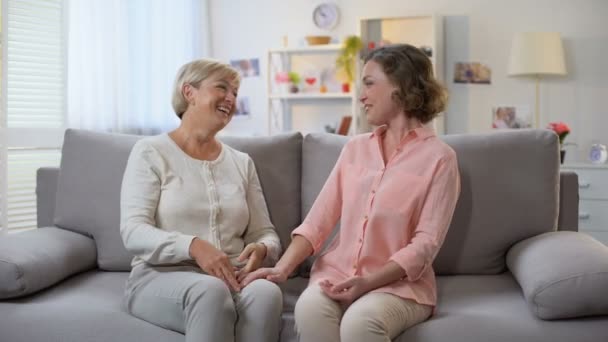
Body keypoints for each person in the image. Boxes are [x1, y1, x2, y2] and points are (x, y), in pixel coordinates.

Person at [242, 44, 461, 342]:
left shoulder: (439, 158)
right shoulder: (356, 148)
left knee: (360, 324)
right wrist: (281, 269)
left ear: (402, 85)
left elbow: (425, 244)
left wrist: (369, 281)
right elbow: (318, 221)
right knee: (309, 311)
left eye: (370, 83)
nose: (361, 96)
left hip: (397, 287)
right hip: (334, 275)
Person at [120, 59, 283, 342]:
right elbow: (133, 232)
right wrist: (193, 246)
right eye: (222, 88)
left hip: (233, 278)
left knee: (267, 292)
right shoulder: (150, 152)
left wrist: (262, 248)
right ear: (189, 93)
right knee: (209, 291)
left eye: (235, 92)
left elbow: (265, 232)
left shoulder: (241, 162)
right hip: (160, 277)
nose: (231, 98)